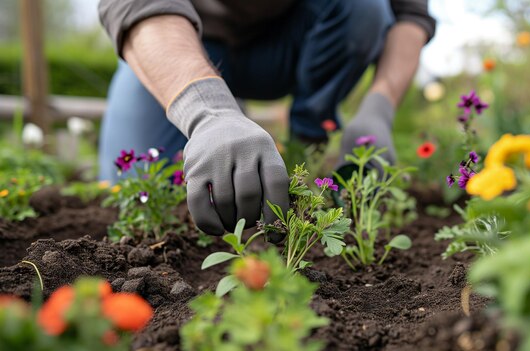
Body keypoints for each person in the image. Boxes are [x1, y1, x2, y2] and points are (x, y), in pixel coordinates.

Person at [97, 0, 436, 240]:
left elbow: (409, 13)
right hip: (179, 38)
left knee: (365, 8)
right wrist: (207, 111)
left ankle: (302, 158)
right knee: (137, 192)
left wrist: (380, 104)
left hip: (294, 38)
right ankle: (223, 122)